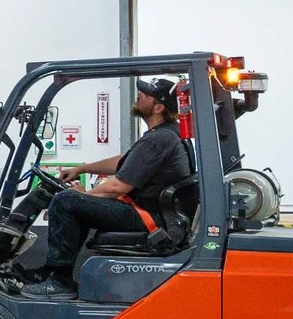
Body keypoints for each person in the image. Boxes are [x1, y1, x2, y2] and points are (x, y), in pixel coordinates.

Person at [23, 77, 191, 299]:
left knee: (65, 202)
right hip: (154, 213)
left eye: (145, 95)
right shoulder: (167, 134)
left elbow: (117, 187)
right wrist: (82, 169)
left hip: (147, 218)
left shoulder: (157, 140)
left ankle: (61, 282)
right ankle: (51, 272)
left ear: (158, 107)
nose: (139, 95)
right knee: (76, 204)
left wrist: (83, 195)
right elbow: (125, 161)